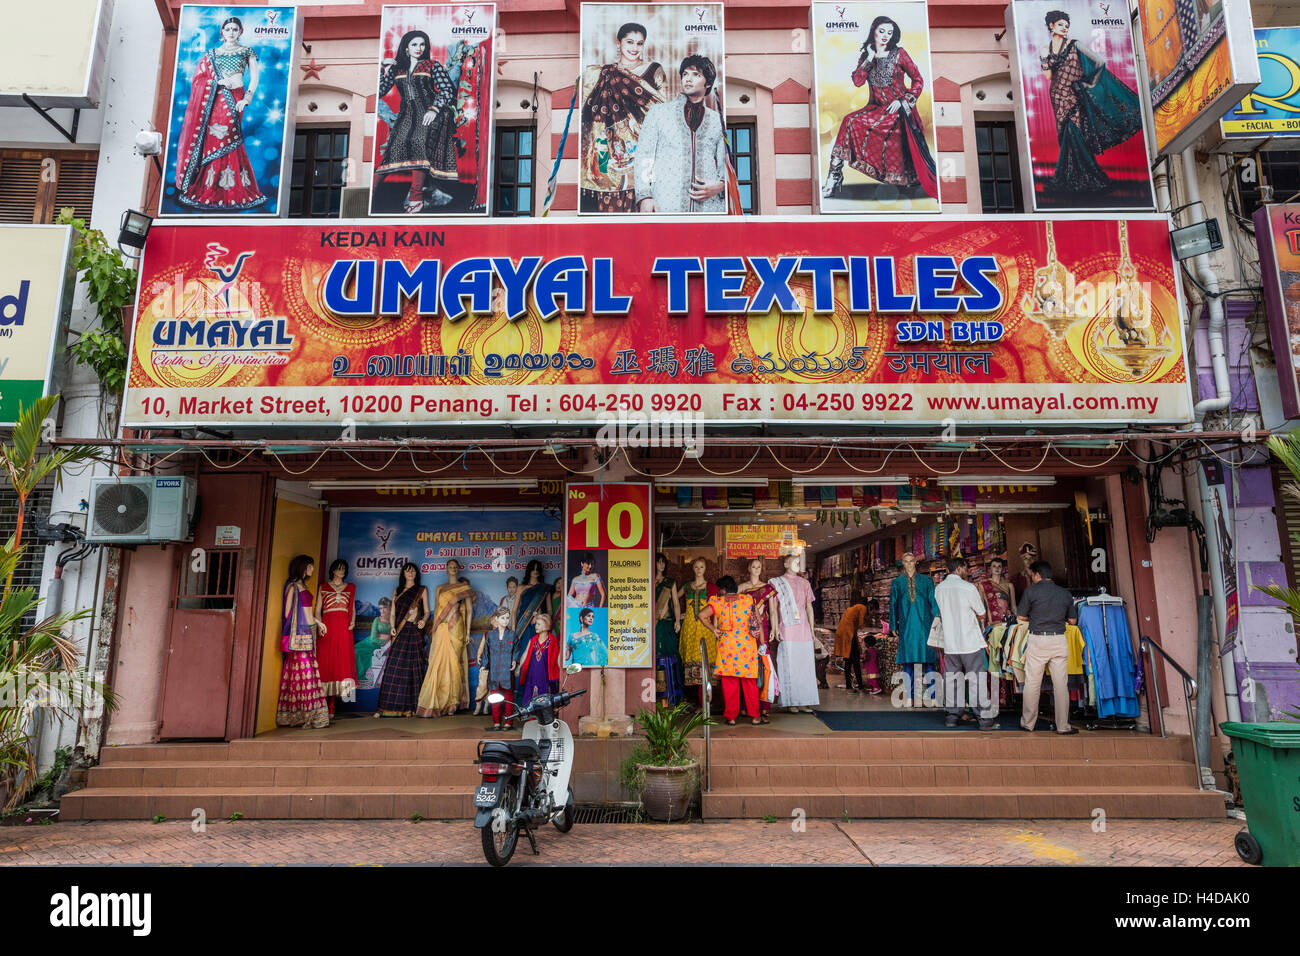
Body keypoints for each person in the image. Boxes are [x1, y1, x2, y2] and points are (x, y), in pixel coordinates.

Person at [822, 15, 937, 201]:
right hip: (875, 108)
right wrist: (869, 58)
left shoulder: (899, 54)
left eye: (889, 33)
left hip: (899, 110)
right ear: (873, 31)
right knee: (849, 120)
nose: (885, 36)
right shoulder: (866, 56)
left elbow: (918, 80)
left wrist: (903, 101)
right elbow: (858, 81)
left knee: (894, 132)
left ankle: (901, 179)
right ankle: (834, 176)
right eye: (882, 31)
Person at [1038, 10, 1143, 197]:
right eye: (1061, 24)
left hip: (1075, 94)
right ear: (1051, 25)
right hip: (1057, 95)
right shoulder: (1045, 48)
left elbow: (1099, 62)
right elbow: (1048, 76)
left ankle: (1092, 178)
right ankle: (1072, 180)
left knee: (1074, 132)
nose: (1065, 28)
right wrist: (1045, 59)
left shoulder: (1075, 44)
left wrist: (1088, 84)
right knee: (1065, 134)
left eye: (1067, 25)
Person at [174, 16, 267, 211]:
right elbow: (199, 79)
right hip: (215, 99)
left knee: (231, 138)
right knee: (214, 139)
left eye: (235, 29)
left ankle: (236, 189)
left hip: (236, 98)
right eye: (228, 29)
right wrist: (216, 83)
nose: (231, 32)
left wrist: (246, 99)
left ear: (240, 32)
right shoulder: (211, 54)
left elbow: (254, 78)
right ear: (222, 32)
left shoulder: (247, 51)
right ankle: (210, 187)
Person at [580, 21, 667, 212]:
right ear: (618, 43)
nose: (634, 48)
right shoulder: (602, 74)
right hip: (608, 153)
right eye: (629, 42)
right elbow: (590, 116)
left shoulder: (653, 70)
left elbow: (662, 111)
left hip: (644, 150)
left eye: (639, 43)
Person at [375, 29, 459, 213]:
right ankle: (370, 196)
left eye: (422, 44)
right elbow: (379, 91)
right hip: (406, 115)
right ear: (406, 47)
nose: (419, 48)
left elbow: (447, 90)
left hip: (431, 112)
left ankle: (416, 198)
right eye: (414, 44)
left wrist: (434, 109)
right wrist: (382, 68)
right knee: (392, 151)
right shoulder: (397, 69)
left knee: (419, 141)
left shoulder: (432, 66)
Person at [634, 56, 727, 214]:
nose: (688, 79)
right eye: (685, 74)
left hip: (709, 209)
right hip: (666, 205)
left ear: (708, 83)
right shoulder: (659, 113)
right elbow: (644, 155)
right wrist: (644, 196)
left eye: (696, 74)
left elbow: (725, 162)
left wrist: (720, 185)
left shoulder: (717, 121)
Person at [1017, 559, 1079, 734]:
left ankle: (1028, 723)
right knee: (1061, 685)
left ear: (1037, 575)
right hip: (1058, 639)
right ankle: (1063, 726)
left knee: (1032, 683)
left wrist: (1035, 617)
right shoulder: (1064, 593)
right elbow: (1072, 621)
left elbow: (1021, 617)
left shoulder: (1031, 591)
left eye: (1032, 575)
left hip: (1038, 639)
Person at [934, 557, 997, 730]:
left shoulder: (939, 589)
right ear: (960, 568)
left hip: (950, 643)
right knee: (976, 680)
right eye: (966, 568)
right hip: (970, 642)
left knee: (952, 680)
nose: (967, 571)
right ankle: (984, 719)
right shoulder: (968, 587)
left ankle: (952, 716)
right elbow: (981, 612)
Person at [698, 576, 761, 726]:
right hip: (746, 646)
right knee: (749, 683)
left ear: (723, 590)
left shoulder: (718, 602)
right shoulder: (748, 600)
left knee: (729, 682)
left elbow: (701, 615)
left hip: (727, 646)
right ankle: (755, 716)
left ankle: (731, 717)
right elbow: (757, 620)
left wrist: (714, 629)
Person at [276, 555, 330, 729]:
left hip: (309, 634)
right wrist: (305, 626)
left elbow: (306, 612)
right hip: (299, 637)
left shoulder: (303, 586)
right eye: (310, 566)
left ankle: (309, 715)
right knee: (302, 675)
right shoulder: (292, 586)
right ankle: (299, 715)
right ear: (303, 567)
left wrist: (317, 623)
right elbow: (288, 613)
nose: (312, 569)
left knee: (310, 675)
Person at [417, 559, 475, 717]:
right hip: (441, 628)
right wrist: (435, 629)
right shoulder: (440, 588)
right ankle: (439, 702)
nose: (453, 568)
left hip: (456, 628)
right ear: (446, 569)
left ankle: (453, 703)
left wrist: (468, 633)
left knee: (454, 665)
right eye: (450, 566)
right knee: (439, 664)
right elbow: (437, 611)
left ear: (458, 569)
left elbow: (469, 611)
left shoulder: (464, 587)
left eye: (455, 566)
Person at [376, 562, 429, 717]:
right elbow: (393, 613)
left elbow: (427, 611)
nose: (410, 573)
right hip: (399, 633)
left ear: (416, 573)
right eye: (407, 571)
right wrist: (392, 627)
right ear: (403, 574)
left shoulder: (421, 590)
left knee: (413, 669)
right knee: (393, 669)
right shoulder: (397, 591)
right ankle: (386, 708)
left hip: (413, 632)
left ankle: (410, 708)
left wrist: (423, 620)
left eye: (413, 571)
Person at [770, 555, 819, 713]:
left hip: (803, 629)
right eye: (794, 561)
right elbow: (773, 609)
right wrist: (775, 628)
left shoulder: (805, 583)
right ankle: (791, 701)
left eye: (799, 562)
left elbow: (809, 607)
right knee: (789, 666)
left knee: (805, 667)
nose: (797, 564)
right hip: (788, 629)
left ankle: (804, 701)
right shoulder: (776, 582)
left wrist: (812, 629)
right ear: (786, 564)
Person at [890, 551, 938, 706]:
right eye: (906, 561)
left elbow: (933, 602)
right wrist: (893, 625)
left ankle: (933, 697)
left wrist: (937, 622)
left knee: (929, 661)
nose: (909, 564)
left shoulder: (926, 581)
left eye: (911, 561)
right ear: (902, 563)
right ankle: (910, 697)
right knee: (908, 662)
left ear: (916, 562)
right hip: (907, 627)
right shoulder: (897, 583)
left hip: (925, 626)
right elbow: (893, 604)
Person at [315, 558, 357, 715]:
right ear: (333, 570)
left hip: (344, 629)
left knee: (341, 664)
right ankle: (323, 704)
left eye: (344, 569)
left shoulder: (351, 587)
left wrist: (353, 621)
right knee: (325, 663)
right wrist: (319, 625)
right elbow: (318, 610)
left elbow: (352, 608)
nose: (342, 571)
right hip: (327, 628)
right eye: (339, 568)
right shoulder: (323, 587)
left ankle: (332, 705)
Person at [738, 558, 777, 724]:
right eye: (753, 566)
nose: (756, 569)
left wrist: (774, 629)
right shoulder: (741, 588)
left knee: (764, 666)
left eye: (758, 567)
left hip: (763, 629)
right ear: (748, 568)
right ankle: (745, 705)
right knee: (746, 665)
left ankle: (763, 706)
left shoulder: (767, 588)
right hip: (745, 631)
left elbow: (773, 611)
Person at [678, 557, 717, 707]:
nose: (699, 570)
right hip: (689, 627)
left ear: (705, 569)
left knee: (705, 659)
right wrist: (678, 616)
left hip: (705, 628)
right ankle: (700, 703)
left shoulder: (711, 587)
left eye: (701, 567)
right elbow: (673, 598)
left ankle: (706, 703)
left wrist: (715, 628)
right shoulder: (687, 586)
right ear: (692, 568)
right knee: (692, 659)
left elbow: (716, 609)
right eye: (696, 567)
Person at [476, 607, 516, 731]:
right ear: (497, 619)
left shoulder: (512, 635)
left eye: (507, 618)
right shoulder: (490, 635)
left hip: (507, 671)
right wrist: (484, 665)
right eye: (502, 618)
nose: (505, 620)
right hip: (494, 672)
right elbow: (486, 653)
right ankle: (497, 722)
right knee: (495, 697)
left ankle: (509, 722)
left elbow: (516, 650)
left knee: (509, 698)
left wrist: (515, 660)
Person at [654, 553, 684, 706]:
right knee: (655, 657)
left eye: (663, 562)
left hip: (667, 624)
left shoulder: (669, 583)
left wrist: (677, 621)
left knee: (671, 655)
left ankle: (673, 696)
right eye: (658, 562)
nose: (661, 565)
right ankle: (658, 695)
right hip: (653, 626)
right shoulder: (647, 581)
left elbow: (676, 603)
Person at [516, 612, 561, 706]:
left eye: (538, 624)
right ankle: (530, 711)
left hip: (545, 674)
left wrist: (560, 670)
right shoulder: (533, 640)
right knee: (530, 694)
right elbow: (525, 653)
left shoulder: (552, 641)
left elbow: (556, 657)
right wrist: (519, 666)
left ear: (545, 626)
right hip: (532, 673)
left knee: (545, 697)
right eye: (536, 624)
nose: (536, 626)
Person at [355, 597, 392, 690]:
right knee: (356, 651)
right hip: (372, 642)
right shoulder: (377, 620)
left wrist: (388, 643)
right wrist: (384, 642)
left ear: (390, 608)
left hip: (387, 644)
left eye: (384, 608)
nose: (382, 611)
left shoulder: (394, 620)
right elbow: (373, 637)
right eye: (380, 608)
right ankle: (359, 679)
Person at [835, 603, 869, 693]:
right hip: (848, 634)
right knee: (856, 661)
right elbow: (861, 624)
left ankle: (849, 685)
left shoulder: (854, 608)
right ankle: (860, 685)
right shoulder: (863, 608)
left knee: (848, 661)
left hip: (843, 634)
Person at [980, 556, 1016, 624]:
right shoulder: (983, 585)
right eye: (994, 566)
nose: (997, 568)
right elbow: (981, 607)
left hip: (1007, 621)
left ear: (1002, 568)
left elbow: (1013, 607)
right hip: (991, 621)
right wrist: (982, 625)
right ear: (990, 568)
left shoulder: (1009, 585)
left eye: (999, 566)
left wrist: (1017, 621)